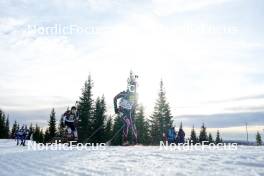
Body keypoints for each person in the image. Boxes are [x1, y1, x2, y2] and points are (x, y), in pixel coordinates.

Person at [114, 72, 138, 145]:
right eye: (131, 87)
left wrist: (133, 110)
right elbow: (115, 98)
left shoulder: (135, 96)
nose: (132, 89)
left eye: (134, 88)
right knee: (127, 123)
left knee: (132, 124)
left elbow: (134, 105)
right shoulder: (124, 93)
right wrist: (115, 108)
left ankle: (135, 141)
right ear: (128, 87)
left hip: (129, 112)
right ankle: (124, 141)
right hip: (121, 110)